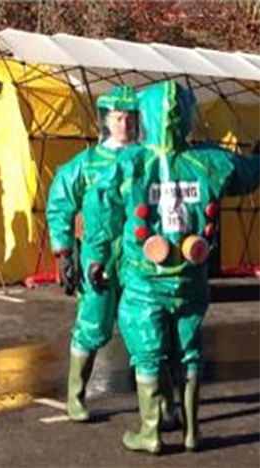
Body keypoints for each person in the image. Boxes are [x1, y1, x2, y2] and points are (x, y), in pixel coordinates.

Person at [89, 80, 260, 454]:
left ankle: (151, 432)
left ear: (146, 117)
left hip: (144, 279)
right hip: (191, 276)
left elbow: (100, 210)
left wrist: (96, 259)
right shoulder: (211, 162)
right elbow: (247, 174)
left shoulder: (130, 164)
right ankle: (191, 430)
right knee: (189, 348)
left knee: (147, 350)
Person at [47, 86, 143, 422]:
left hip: (140, 258)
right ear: (106, 119)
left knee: (148, 327)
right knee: (91, 323)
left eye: (131, 117)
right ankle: (75, 396)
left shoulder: (148, 160)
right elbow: (59, 203)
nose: (126, 124)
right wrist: (63, 253)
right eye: (119, 117)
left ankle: (158, 404)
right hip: (97, 260)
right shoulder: (86, 164)